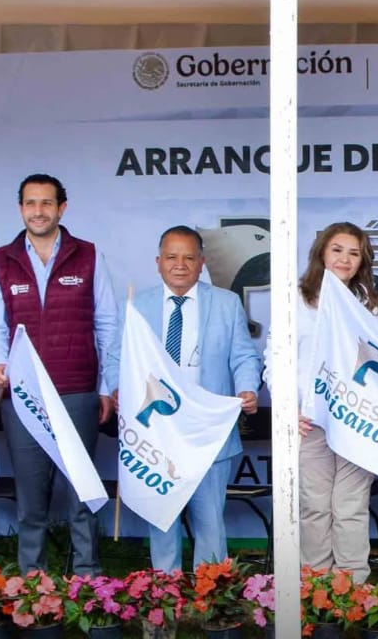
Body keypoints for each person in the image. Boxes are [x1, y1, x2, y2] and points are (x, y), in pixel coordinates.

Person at [0, 174, 117, 575]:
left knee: (82, 493)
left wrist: (106, 387)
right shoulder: (1, 259)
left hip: (76, 390)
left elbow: (108, 324)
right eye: (30, 203)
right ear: (20, 208)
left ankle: (87, 579)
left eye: (46, 203)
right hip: (23, 395)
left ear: (62, 208)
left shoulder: (89, 255)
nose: (38, 211)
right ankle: (32, 583)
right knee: (31, 498)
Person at [114, 226, 261, 570]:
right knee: (161, 517)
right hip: (157, 431)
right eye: (171, 257)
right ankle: (165, 590)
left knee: (209, 519)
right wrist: (115, 387)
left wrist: (248, 388)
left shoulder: (226, 303)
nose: (179, 265)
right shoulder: (136, 305)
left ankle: (212, 591)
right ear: (158, 262)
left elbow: (244, 356)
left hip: (207, 430)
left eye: (189, 258)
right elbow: (115, 358)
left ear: (202, 263)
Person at [297, 221, 378, 582]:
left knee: (350, 506)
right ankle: (314, 588)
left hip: (355, 422)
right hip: (309, 421)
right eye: (337, 250)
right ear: (322, 254)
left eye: (353, 253)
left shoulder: (369, 306)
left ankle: (352, 589)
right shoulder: (296, 300)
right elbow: (275, 358)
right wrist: (289, 409)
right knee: (314, 506)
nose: (345, 259)